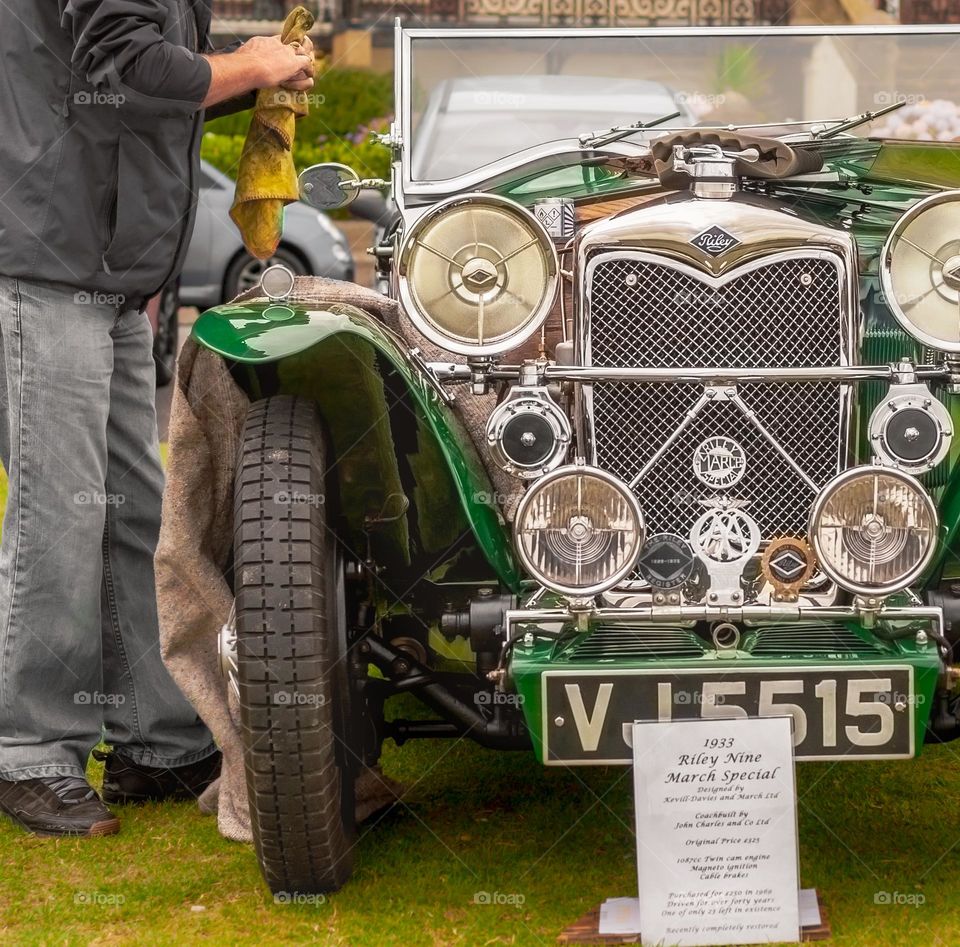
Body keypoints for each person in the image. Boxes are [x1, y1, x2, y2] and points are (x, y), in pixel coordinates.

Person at [0, 1, 314, 837]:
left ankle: (157, 739)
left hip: (98, 272)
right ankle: (30, 750)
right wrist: (253, 66)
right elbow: (130, 70)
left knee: (138, 511)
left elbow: (138, 79)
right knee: (56, 521)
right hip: (47, 265)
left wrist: (254, 76)